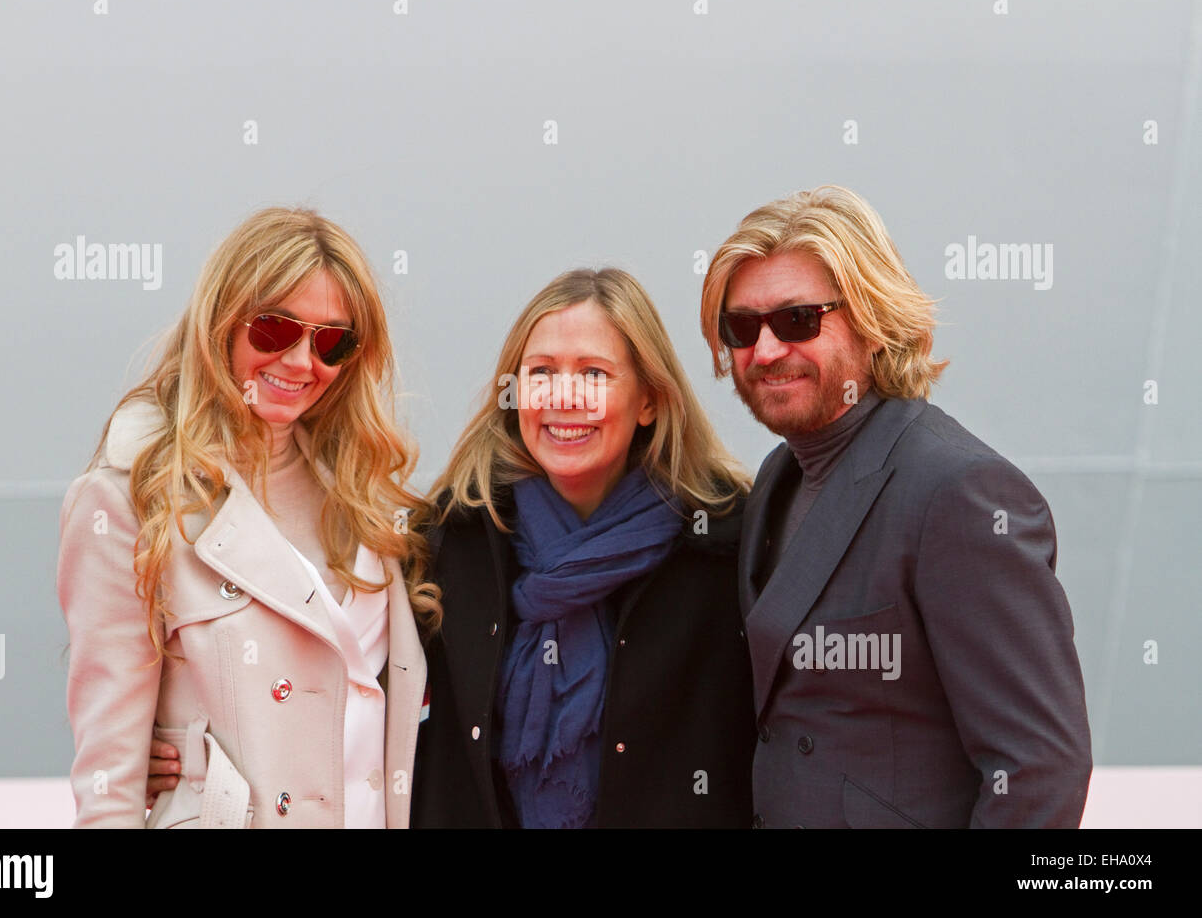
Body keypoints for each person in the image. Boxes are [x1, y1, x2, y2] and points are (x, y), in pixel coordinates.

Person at [700, 184, 1093, 828]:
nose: (766, 350)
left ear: (874, 321)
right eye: (742, 327)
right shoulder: (779, 477)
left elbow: (1039, 768)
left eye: (799, 319)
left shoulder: (961, 492)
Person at [58, 207, 439, 828]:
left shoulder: (370, 494)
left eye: (331, 340)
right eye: (273, 330)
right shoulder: (129, 497)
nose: (300, 361)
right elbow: (108, 780)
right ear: (220, 323)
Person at [410, 268, 756, 827]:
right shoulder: (451, 543)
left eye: (594, 374)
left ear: (648, 401)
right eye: (541, 372)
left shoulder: (724, 547)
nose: (564, 397)